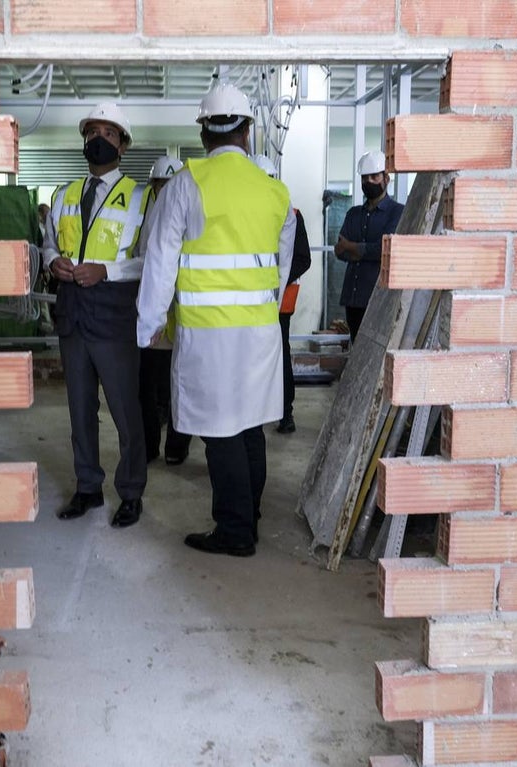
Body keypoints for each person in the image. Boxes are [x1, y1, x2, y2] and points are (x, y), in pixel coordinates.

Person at [137, 82, 296, 557]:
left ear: (204, 134)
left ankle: (234, 531)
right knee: (250, 426)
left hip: (209, 335)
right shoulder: (276, 192)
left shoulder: (187, 184)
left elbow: (160, 262)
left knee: (220, 430)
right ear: (248, 131)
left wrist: (146, 327)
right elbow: (279, 268)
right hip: (260, 333)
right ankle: (251, 513)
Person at [43, 102, 149, 529]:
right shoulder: (63, 193)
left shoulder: (142, 197)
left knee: (126, 412)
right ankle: (88, 487)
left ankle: (131, 492)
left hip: (114, 318)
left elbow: (150, 260)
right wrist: (53, 261)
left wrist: (108, 270)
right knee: (79, 410)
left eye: (109, 132)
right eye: (92, 132)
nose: (98, 139)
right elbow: (48, 241)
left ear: (122, 144)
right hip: (72, 316)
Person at [137, 156, 193, 466]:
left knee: (179, 387)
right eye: (160, 184)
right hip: (155, 318)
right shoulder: (146, 215)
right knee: (148, 386)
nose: (165, 189)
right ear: (154, 185)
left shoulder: (190, 211)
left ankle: (177, 445)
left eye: (169, 184)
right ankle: (149, 445)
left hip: (184, 316)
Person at [252, 154, 311, 434]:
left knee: (281, 355)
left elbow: (303, 258)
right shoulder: (246, 214)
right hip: (250, 299)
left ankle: (285, 413)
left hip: (280, 301)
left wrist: (276, 278)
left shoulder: (292, 214)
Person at [334, 150, 405, 344]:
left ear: (386, 178)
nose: (369, 182)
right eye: (365, 178)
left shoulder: (397, 212)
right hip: (353, 298)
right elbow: (340, 251)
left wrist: (354, 248)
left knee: (376, 352)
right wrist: (364, 251)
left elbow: (386, 251)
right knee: (357, 349)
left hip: (378, 299)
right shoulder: (353, 214)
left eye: (374, 176)